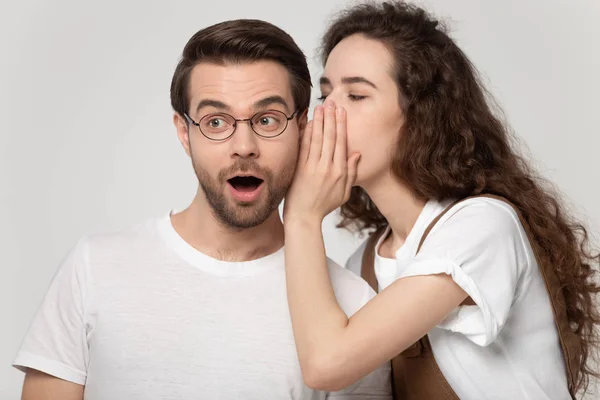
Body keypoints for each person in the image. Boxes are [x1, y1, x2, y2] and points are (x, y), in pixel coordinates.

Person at [12, 19, 392, 400]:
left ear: (302, 127)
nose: (244, 145)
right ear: (183, 132)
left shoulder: (353, 310)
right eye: (215, 122)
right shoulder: (92, 268)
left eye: (267, 120)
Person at [282, 1, 600, 399]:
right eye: (325, 95)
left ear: (420, 115)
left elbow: (327, 364)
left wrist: (301, 216)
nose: (328, 113)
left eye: (356, 95)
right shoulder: (362, 263)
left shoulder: (482, 226)